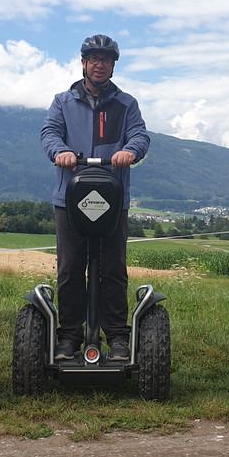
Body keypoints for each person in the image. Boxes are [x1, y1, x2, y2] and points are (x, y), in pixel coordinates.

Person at [40, 34, 150, 361]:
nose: (99, 64)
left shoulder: (126, 104)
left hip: (112, 200)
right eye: (93, 58)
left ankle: (117, 336)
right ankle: (69, 338)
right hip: (70, 200)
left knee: (113, 269)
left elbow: (140, 135)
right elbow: (49, 133)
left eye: (106, 59)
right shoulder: (63, 101)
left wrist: (130, 151)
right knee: (71, 269)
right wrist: (59, 152)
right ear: (83, 63)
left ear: (113, 66)